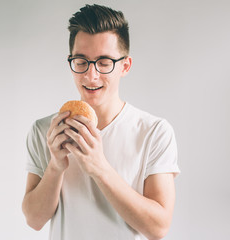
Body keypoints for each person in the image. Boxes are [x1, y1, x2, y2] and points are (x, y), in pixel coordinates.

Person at [22, 4, 180, 240]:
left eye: (104, 62)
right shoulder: (45, 131)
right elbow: (34, 221)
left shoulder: (154, 132)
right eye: (81, 61)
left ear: (125, 66)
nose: (90, 75)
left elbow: (158, 228)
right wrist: (55, 165)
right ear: (70, 62)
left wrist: (99, 167)